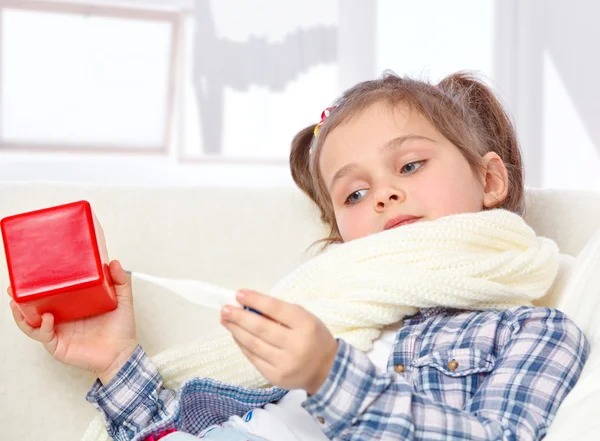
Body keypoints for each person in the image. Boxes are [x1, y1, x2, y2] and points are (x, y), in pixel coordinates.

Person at [8, 71, 589, 441]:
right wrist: (115, 361)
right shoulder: (330, 314)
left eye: (410, 165)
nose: (384, 194)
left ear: (489, 180)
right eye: (354, 194)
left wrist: (330, 376)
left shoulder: (535, 331)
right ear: (341, 234)